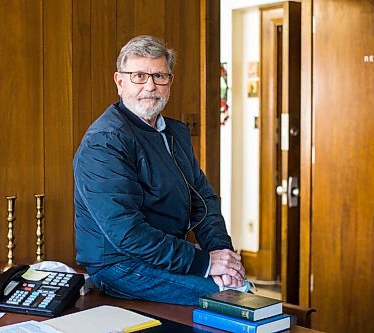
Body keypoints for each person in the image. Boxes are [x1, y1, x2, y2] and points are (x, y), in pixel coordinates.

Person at [73, 35, 246, 306]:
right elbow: (127, 233)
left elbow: (204, 203)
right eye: (139, 76)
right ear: (120, 82)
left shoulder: (175, 133)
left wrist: (220, 251)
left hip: (166, 254)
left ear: (170, 82)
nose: (150, 86)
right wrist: (204, 262)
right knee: (231, 298)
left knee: (238, 285)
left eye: (159, 76)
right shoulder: (105, 141)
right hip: (119, 264)